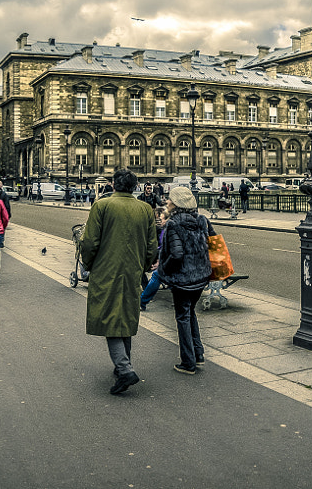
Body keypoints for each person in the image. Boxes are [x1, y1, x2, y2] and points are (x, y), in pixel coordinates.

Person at [78, 168, 156, 395]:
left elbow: (90, 242)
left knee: (110, 317)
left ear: (113, 184)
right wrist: (144, 264)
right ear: (134, 187)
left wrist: (89, 264)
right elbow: (152, 246)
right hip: (133, 271)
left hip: (106, 269)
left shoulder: (102, 205)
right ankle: (124, 362)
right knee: (126, 316)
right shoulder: (145, 209)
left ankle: (124, 370)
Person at [155, 186, 217, 374]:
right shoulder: (201, 220)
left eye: (170, 200)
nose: (167, 202)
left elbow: (176, 254)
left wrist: (162, 268)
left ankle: (188, 362)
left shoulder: (173, 224)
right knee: (190, 313)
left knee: (182, 317)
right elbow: (212, 243)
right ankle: (198, 355)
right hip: (201, 276)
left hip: (183, 279)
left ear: (177, 204)